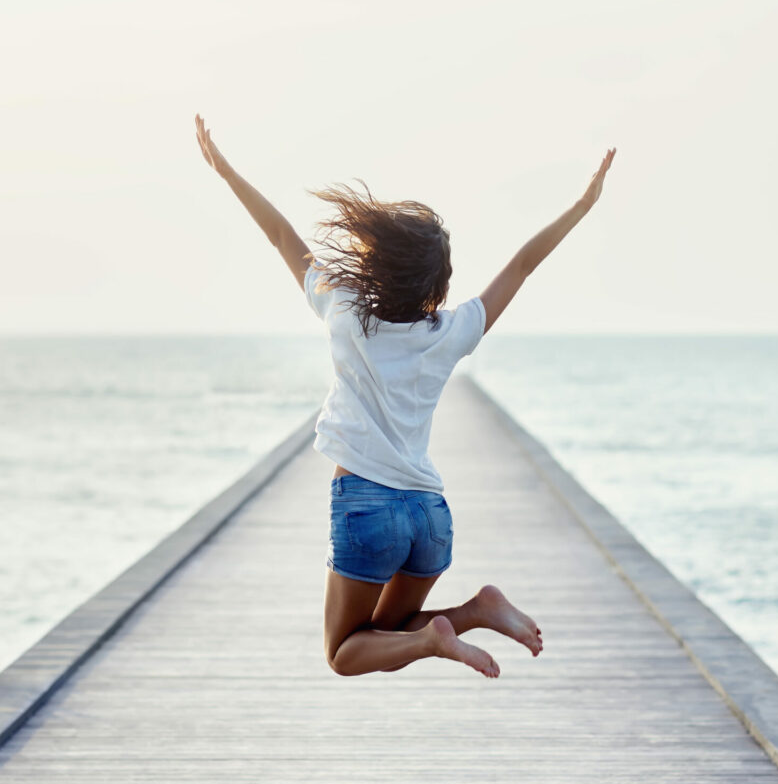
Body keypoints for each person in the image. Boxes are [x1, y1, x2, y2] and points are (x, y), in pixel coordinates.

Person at [195, 113, 615, 679]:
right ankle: (475, 612)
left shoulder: (342, 311)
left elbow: (280, 235)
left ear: (374, 266)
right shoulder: (449, 332)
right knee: (385, 635)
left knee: (344, 653)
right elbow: (521, 264)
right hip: (428, 515)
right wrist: (581, 207)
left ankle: (436, 642)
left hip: (367, 507)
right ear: (436, 288)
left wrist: (225, 171)